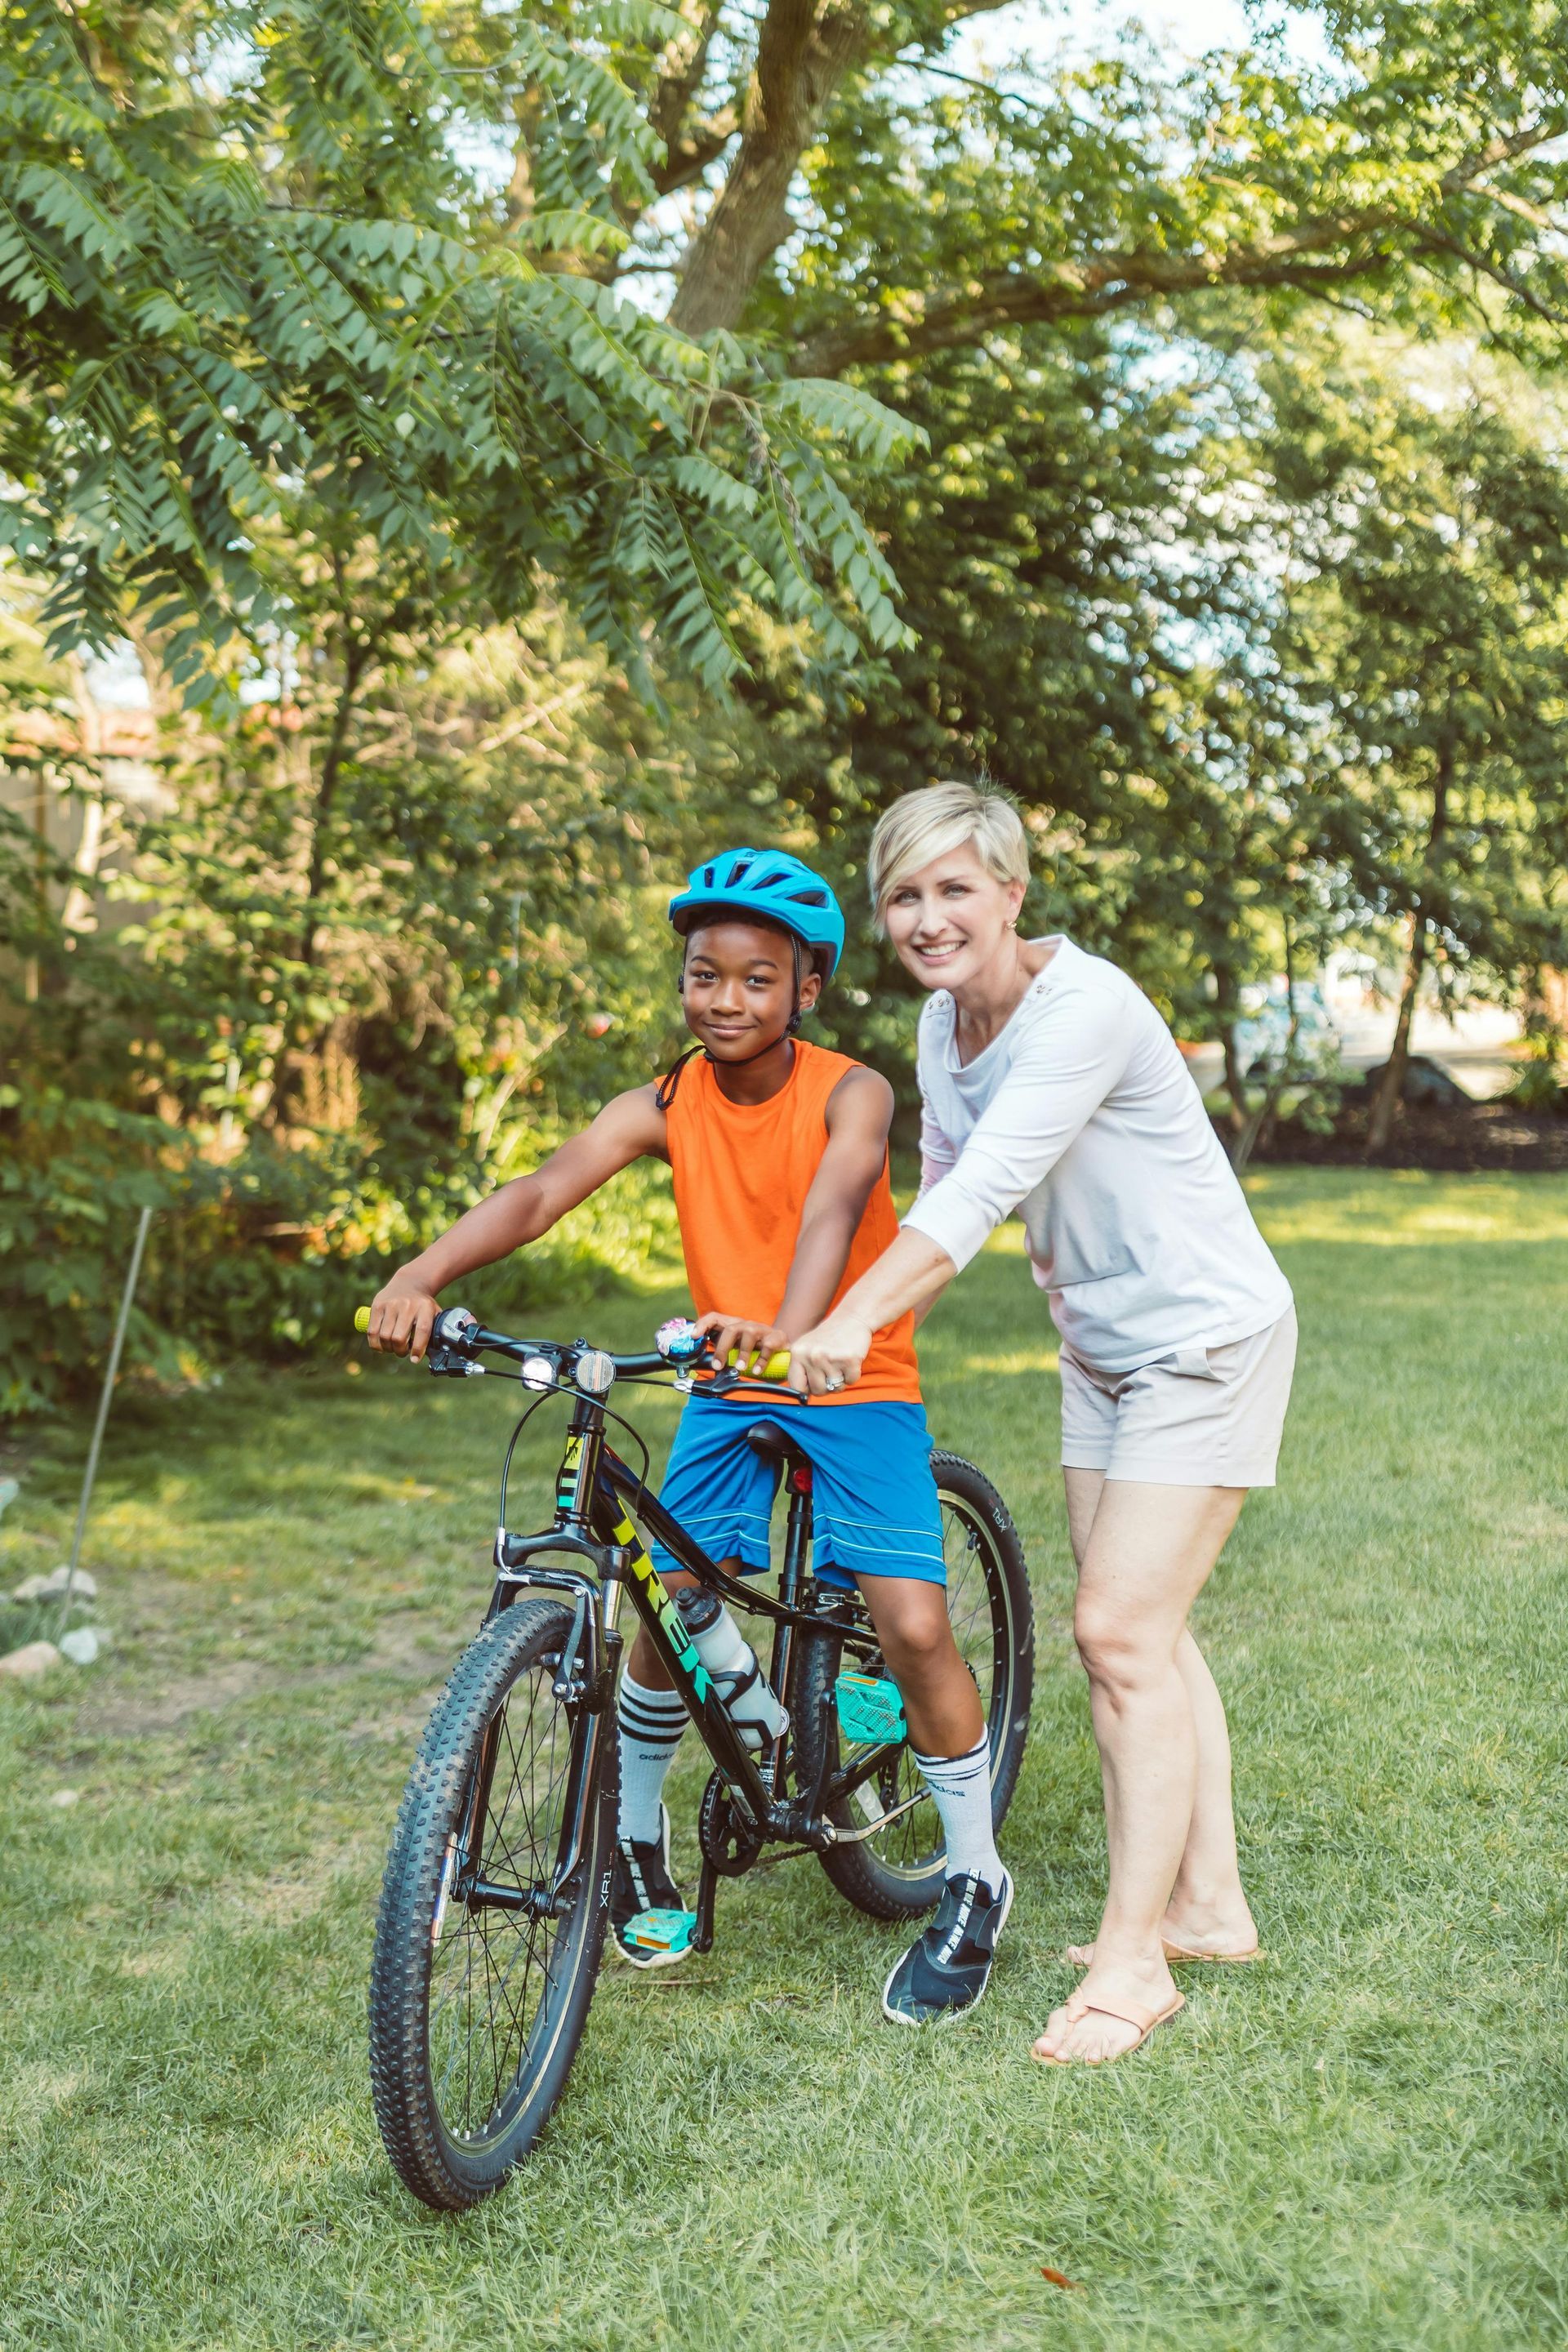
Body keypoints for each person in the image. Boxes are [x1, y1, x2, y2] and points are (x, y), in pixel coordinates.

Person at [366, 846, 1013, 2025]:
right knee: (664, 1600)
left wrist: (792, 1327)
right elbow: (538, 1193)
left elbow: (834, 1199)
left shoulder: (850, 1088)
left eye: (757, 980)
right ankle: (636, 1840)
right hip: (726, 1377)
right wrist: (422, 1271)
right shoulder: (664, 1102)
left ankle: (974, 1874)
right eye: (704, 976)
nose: (726, 1000)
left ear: (806, 989)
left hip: (848, 1370)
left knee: (913, 1625)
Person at [786, 783, 1296, 2066]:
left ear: (1015, 892)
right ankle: (1210, 1907)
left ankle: (1135, 1969)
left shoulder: (1087, 1008)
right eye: (905, 894)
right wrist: (856, 1317)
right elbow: (949, 1179)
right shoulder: (941, 1026)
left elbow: (984, 1195)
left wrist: (847, 1326)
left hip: (1205, 1339)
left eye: (956, 888)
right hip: (1102, 1354)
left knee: (1117, 1633)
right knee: (1146, 1636)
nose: (929, 916)